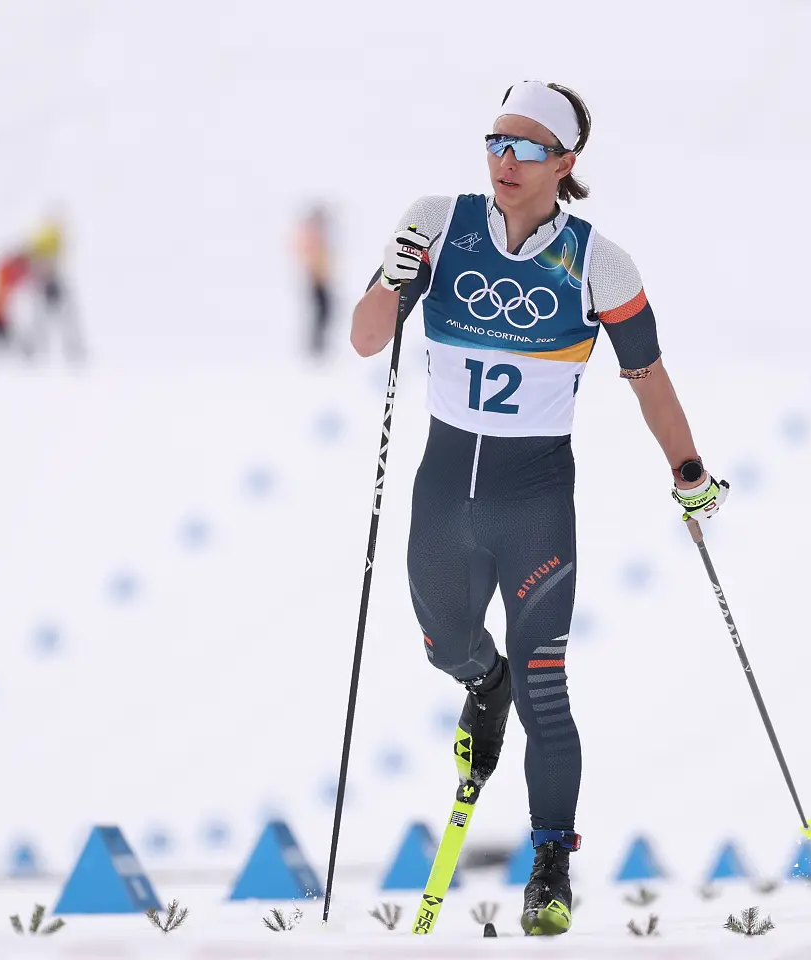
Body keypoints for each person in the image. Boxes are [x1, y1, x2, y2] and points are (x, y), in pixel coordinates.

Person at [350, 80, 728, 935]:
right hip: (444, 493)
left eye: (524, 148)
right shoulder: (438, 223)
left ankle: (550, 865)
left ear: (565, 162)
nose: (503, 162)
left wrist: (690, 473)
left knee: (549, 686)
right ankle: (485, 681)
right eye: (495, 142)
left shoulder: (601, 262)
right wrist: (396, 270)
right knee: (448, 644)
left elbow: (649, 378)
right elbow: (369, 337)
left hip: (534, 503)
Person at [26, 216, 85, 364]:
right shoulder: (48, 239)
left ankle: (70, 348)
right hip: (47, 283)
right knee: (44, 318)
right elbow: (39, 257)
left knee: (61, 317)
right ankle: (36, 348)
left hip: (52, 282)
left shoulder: (50, 240)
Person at [297, 205, 334, 356]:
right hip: (317, 279)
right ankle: (316, 346)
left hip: (321, 278)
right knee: (321, 311)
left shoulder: (318, 234)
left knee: (324, 312)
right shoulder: (313, 234)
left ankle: (318, 344)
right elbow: (312, 257)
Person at [0, 249, 29, 355]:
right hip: (1, 307)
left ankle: (10, 345)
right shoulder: (5, 273)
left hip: (5, 306)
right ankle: (5, 345)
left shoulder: (9, 272)